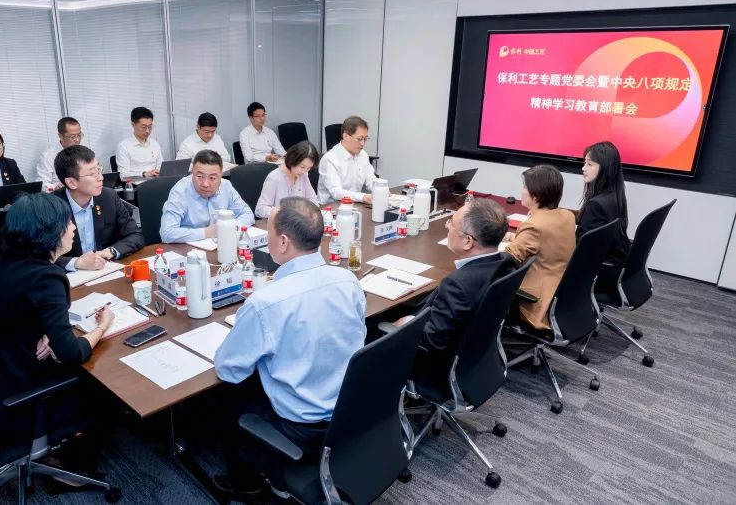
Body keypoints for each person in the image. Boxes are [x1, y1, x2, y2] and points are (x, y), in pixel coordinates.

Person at [212, 196, 366, 497]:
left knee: (225, 395)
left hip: (302, 427)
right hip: (348, 409)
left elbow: (228, 370)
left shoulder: (266, 303)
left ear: (283, 242)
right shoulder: (348, 280)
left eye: (268, 232)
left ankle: (247, 480)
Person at [0, 192, 115, 472]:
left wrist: (47, 329)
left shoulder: (10, 260)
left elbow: (23, 308)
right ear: (48, 232)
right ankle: (70, 470)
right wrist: (102, 326)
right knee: (105, 387)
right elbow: (71, 354)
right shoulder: (46, 278)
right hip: (17, 398)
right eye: (66, 223)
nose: (73, 227)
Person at [391, 199, 514, 390]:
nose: (447, 226)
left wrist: (405, 322)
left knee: (372, 329)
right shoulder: (506, 262)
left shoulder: (458, 284)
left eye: (452, 223)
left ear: (468, 241)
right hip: (474, 358)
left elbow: (432, 341)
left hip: (435, 367)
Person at [503, 164, 576, 330]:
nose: (521, 190)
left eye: (524, 187)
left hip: (535, 301)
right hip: (563, 294)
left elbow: (506, 259)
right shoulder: (567, 216)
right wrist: (516, 237)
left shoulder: (534, 226)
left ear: (535, 196)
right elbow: (549, 239)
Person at [53, 145, 144, 271]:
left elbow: (135, 235)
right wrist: (76, 263)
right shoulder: (51, 207)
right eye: (93, 173)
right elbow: (38, 255)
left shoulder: (109, 197)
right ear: (71, 183)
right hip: (68, 276)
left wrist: (111, 251)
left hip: (105, 270)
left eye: (99, 170)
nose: (101, 177)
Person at [160, 149, 253, 243]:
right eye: (200, 176)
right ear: (192, 172)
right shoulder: (180, 191)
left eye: (212, 178)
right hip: (188, 247)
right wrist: (209, 232)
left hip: (222, 243)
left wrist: (231, 226)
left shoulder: (226, 186)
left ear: (221, 175)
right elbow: (167, 233)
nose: (205, 184)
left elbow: (247, 214)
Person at [578, 141, 631, 267]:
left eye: (589, 164)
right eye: (584, 163)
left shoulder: (595, 205)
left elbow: (581, 246)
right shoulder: (615, 195)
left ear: (605, 168)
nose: (583, 168)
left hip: (596, 267)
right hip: (616, 262)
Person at [317, 115, 377, 204]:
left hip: (354, 204)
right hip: (331, 207)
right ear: (345, 136)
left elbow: (370, 178)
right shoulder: (329, 159)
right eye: (360, 139)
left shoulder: (363, 155)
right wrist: (363, 197)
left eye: (365, 139)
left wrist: (381, 189)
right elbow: (336, 192)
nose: (363, 144)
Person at [254, 140, 319, 218]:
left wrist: (307, 210)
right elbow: (260, 210)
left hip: (298, 221)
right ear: (292, 160)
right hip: (280, 222)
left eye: (309, 168)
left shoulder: (303, 175)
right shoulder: (274, 178)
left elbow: (313, 201)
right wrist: (282, 212)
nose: (305, 171)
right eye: (302, 167)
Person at [37, 117, 84, 191]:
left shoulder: (84, 152)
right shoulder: (48, 156)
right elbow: (42, 185)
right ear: (61, 136)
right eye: (72, 137)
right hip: (60, 194)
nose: (77, 140)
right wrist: (55, 187)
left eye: (79, 135)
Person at [116, 106, 163, 179]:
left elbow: (161, 166)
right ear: (133, 125)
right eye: (143, 127)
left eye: (150, 127)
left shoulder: (155, 144)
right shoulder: (124, 146)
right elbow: (123, 175)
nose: (147, 131)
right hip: (137, 183)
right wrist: (144, 174)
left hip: (156, 181)